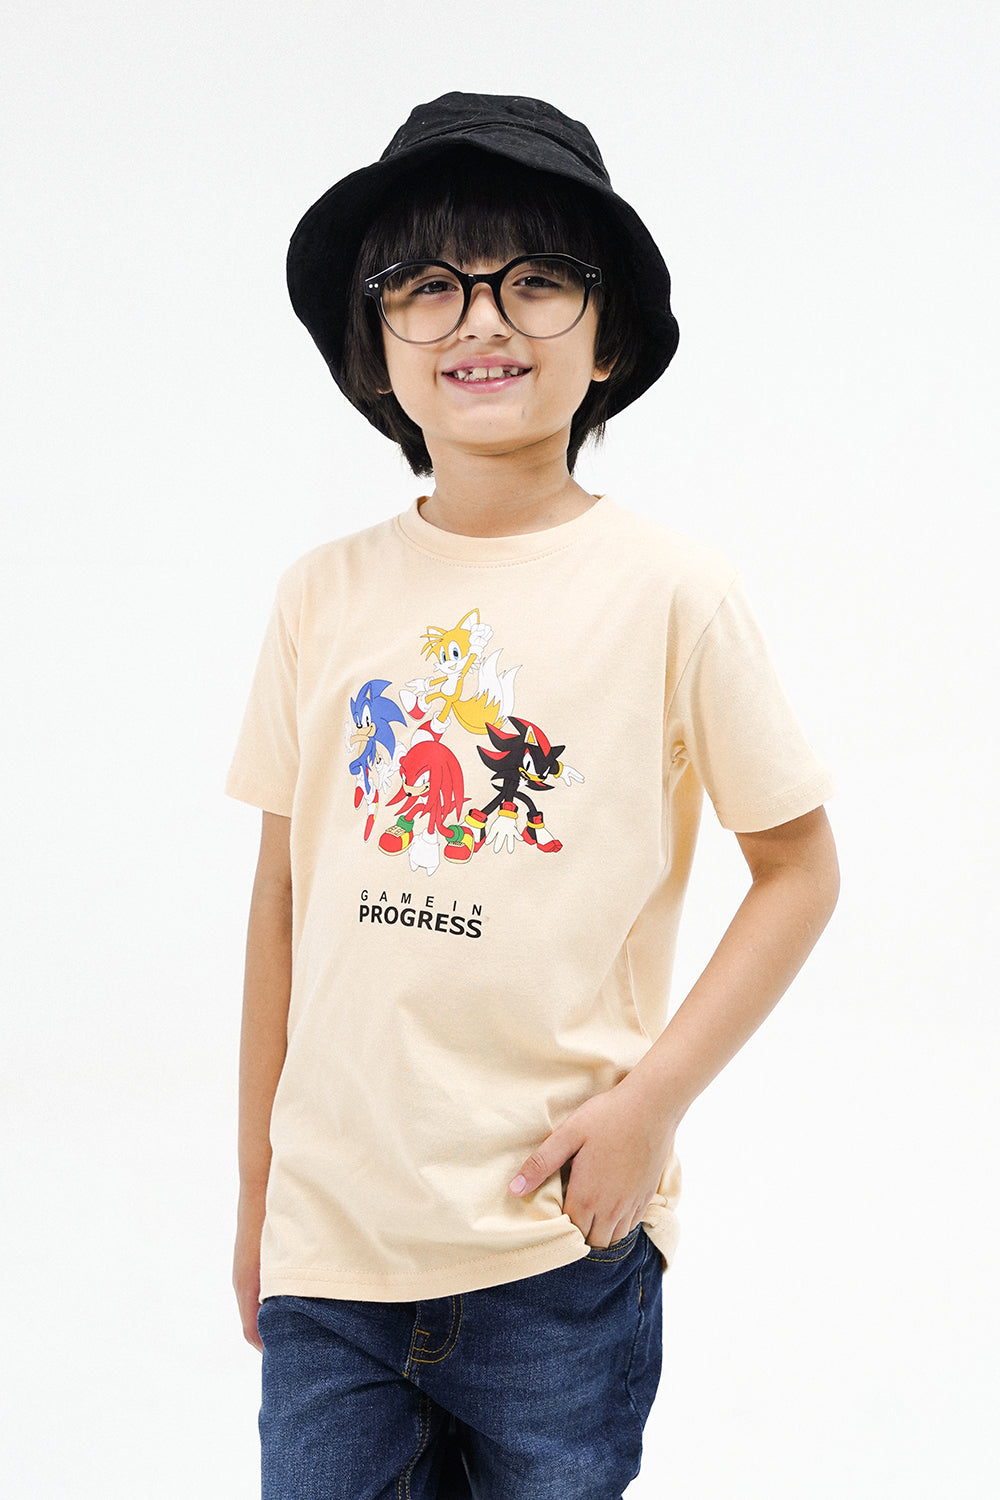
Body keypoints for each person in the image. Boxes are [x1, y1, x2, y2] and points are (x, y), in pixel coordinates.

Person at [227, 92, 840, 1500]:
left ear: (607, 335)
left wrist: (651, 1108)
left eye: (537, 279)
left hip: (554, 1246)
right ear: (376, 342)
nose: (482, 319)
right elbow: (281, 903)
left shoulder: (673, 592)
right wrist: (257, 1194)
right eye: (427, 284)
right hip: (333, 1259)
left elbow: (801, 867)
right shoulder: (320, 596)